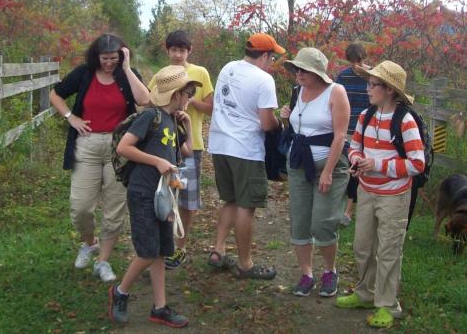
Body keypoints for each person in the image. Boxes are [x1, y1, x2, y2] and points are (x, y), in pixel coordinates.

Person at [49, 33, 150, 282]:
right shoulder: (84, 73)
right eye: (104, 58)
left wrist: (127, 68)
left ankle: (102, 261)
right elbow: (55, 95)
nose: (109, 63)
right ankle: (89, 243)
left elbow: (144, 100)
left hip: (120, 148)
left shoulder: (127, 74)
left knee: (114, 208)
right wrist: (71, 117)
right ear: (96, 56)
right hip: (87, 145)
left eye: (114, 58)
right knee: (80, 207)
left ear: (122, 55)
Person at [335, 60, 425, 329]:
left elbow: (417, 163)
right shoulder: (366, 116)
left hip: (394, 196)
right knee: (362, 246)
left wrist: (377, 164)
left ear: (389, 90)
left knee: (388, 250)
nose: (367, 88)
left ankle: (387, 305)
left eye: (373, 84)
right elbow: (354, 147)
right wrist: (357, 159)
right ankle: (365, 294)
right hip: (367, 191)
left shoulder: (405, 121)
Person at [108, 65, 199, 328]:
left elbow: (188, 152)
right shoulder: (150, 116)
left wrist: (187, 125)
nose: (190, 97)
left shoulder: (173, 120)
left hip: (164, 194)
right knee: (148, 251)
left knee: (161, 250)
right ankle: (120, 292)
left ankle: (159, 307)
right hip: (143, 192)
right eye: (189, 93)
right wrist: (156, 161)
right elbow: (124, 147)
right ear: (176, 94)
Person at [207, 32, 284, 280]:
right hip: (245, 149)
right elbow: (266, 123)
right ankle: (245, 263)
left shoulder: (228, 68)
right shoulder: (264, 80)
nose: (271, 62)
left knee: (230, 199)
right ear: (264, 56)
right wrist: (279, 124)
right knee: (246, 205)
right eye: (271, 58)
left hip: (219, 144)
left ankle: (218, 250)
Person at [279, 48, 351, 298]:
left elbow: (340, 136)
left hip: (328, 166)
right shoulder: (297, 91)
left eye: (304, 70)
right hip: (298, 164)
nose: (298, 73)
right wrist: (286, 118)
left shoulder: (336, 92)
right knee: (299, 222)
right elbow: (296, 129)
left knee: (322, 223)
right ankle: (306, 274)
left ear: (318, 72)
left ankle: (330, 271)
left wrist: (328, 171)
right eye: (296, 69)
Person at [147, 30, 214, 269]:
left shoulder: (200, 73)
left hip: (190, 146)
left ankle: (180, 247)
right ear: (167, 50)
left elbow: (211, 108)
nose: (177, 55)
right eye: (173, 50)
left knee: (188, 198)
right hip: (164, 147)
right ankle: (164, 243)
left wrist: (190, 100)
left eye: (182, 50)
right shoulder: (163, 75)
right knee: (164, 195)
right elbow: (149, 101)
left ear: (189, 51)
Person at [335, 43, 370, 226]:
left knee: (357, 169)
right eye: (353, 62)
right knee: (345, 168)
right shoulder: (343, 76)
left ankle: (349, 210)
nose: (356, 65)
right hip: (346, 129)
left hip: (366, 130)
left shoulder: (373, 76)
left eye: (359, 61)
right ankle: (341, 207)